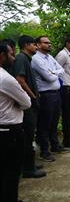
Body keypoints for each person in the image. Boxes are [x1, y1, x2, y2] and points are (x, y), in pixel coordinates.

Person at [0, 42, 31, 202]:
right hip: (10, 131)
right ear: (2, 56)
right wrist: (15, 103)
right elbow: (26, 102)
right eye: (10, 54)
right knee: (12, 171)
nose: (13, 57)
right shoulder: (6, 79)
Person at [12, 35, 47, 178]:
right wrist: (32, 96)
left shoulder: (27, 59)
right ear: (26, 45)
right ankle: (28, 168)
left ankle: (29, 163)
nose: (36, 47)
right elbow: (20, 80)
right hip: (28, 105)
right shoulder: (21, 59)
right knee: (28, 135)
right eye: (34, 44)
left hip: (31, 103)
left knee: (30, 133)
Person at [32, 36, 67, 162]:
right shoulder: (36, 59)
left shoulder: (50, 57)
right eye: (46, 43)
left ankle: (55, 145)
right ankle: (44, 151)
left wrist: (53, 72)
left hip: (56, 93)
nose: (49, 45)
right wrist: (53, 73)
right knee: (45, 124)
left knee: (54, 121)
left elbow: (61, 70)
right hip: (46, 95)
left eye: (50, 43)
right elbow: (49, 77)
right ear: (38, 45)